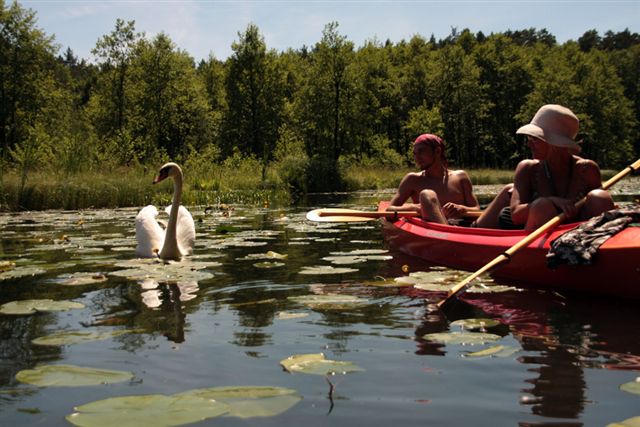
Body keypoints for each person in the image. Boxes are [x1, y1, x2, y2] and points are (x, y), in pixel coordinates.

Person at [506, 104, 614, 231]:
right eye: (529, 138)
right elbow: (515, 216)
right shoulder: (527, 168)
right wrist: (552, 201)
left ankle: (608, 245)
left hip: (579, 235)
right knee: (542, 206)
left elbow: (597, 206)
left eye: (534, 139)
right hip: (537, 235)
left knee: (599, 197)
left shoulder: (587, 169)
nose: (529, 144)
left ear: (555, 144)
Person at [386, 133, 480, 224]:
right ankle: (445, 232)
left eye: (421, 151)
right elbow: (389, 210)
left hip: (465, 228)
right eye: (415, 153)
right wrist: (415, 207)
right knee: (427, 194)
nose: (416, 157)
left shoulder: (461, 177)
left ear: (437, 151)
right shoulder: (412, 179)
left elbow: (476, 209)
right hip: (437, 232)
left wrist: (462, 209)